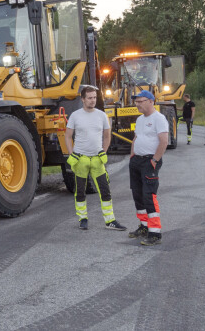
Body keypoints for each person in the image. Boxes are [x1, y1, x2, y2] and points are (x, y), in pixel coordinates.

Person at [65, 85, 127, 231]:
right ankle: (83, 219)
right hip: (81, 159)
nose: (93, 100)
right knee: (80, 191)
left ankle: (110, 220)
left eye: (94, 97)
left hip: (97, 159)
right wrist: (71, 153)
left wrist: (103, 152)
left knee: (105, 190)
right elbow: (67, 136)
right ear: (83, 99)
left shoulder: (101, 115)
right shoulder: (75, 115)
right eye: (89, 98)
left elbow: (107, 135)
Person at [128, 90, 169, 246]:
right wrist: (132, 155)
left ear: (151, 101)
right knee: (137, 195)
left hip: (149, 162)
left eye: (140, 101)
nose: (137, 104)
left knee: (148, 195)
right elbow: (136, 138)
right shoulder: (139, 119)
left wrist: (154, 160)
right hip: (136, 161)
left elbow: (163, 141)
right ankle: (144, 226)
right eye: (136, 102)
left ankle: (155, 233)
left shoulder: (159, 119)